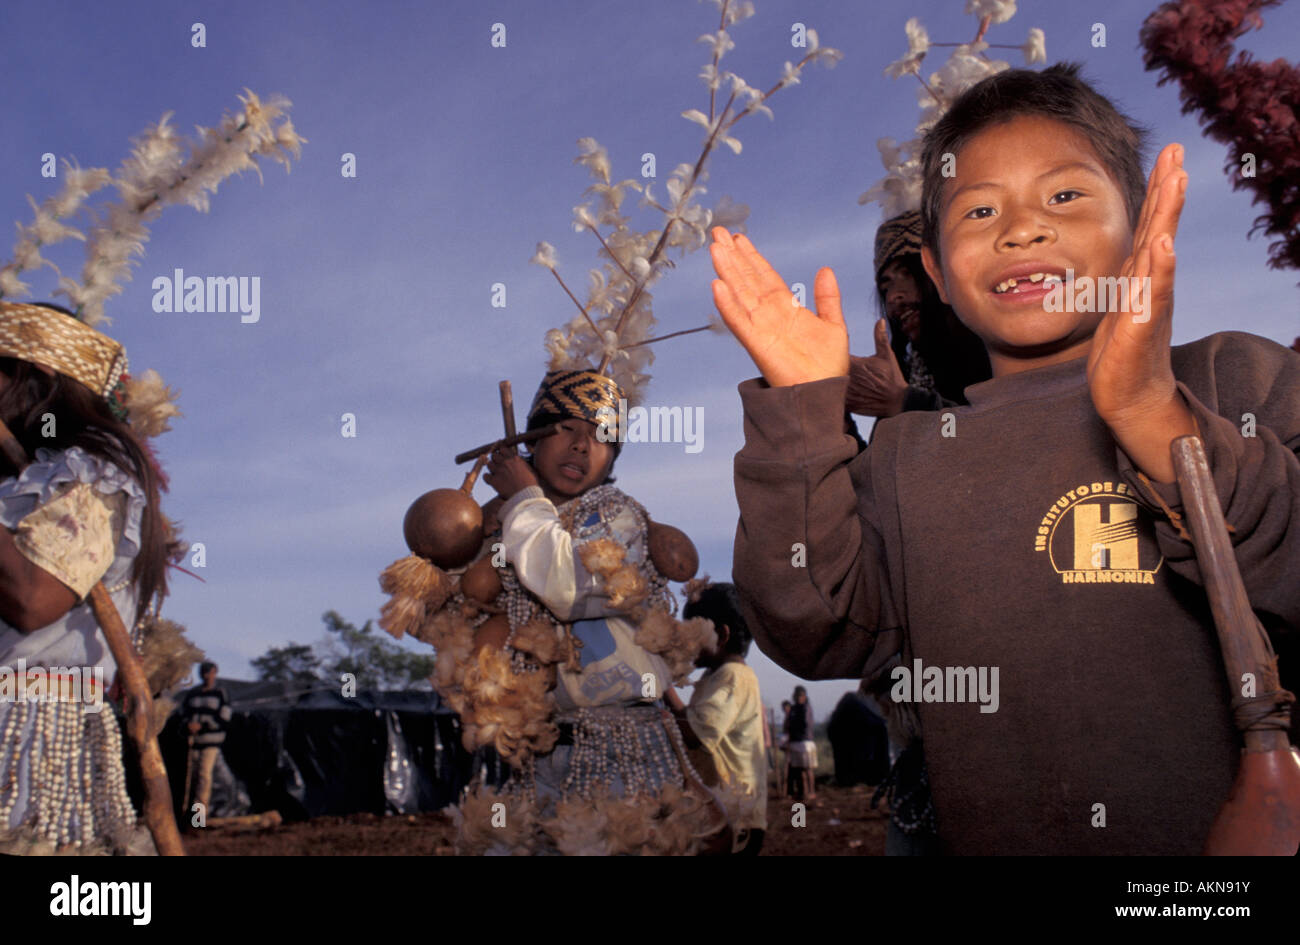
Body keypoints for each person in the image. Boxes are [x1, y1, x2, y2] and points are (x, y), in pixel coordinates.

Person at [709, 63, 1300, 854]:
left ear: (1138, 224)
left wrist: (1153, 415)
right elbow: (817, 627)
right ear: (938, 274)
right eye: (979, 210)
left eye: (1064, 196)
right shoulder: (908, 453)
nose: (1021, 228)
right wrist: (802, 417)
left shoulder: (1236, 378)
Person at [448, 368, 724, 854]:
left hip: (625, 759)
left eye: (601, 438)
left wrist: (524, 499)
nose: (582, 446)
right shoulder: (513, 523)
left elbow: (565, 586)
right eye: (566, 429)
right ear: (530, 440)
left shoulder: (616, 516)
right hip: (543, 756)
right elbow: (465, 610)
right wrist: (467, 536)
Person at [0, 301, 181, 854]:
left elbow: (34, 598)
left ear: (36, 376)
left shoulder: (95, 473)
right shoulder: (21, 480)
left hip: (30, 746)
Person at [847, 210, 991, 418]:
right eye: (886, 286)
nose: (893, 297)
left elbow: (1004, 435)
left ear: (940, 275)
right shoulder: (908, 370)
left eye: (907, 274)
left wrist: (905, 402)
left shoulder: (996, 346)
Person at [664, 581, 768, 855]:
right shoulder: (713, 677)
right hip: (722, 808)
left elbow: (694, 733)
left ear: (721, 635)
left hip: (736, 816)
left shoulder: (734, 677)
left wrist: (663, 685)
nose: (685, 643)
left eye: (692, 634)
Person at [181, 660, 231, 820]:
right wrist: (188, 726)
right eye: (204, 672)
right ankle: (189, 813)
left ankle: (199, 817)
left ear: (215, 673)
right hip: (193, 742)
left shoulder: (220, 694)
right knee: (192, 778)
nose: (207, 676)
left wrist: (202, 726)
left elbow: (224, 718)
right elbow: (183, 714)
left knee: (204, 777)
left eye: (210, 672)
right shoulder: (193, 694)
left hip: (211, 742)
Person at [785, 685, 816, 802]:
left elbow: (805, 724)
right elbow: (789, 724)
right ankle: (804, 792)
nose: (799, 698)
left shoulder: (806, 708)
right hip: (795, 742)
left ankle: (811, 791)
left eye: (801, 696)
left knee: (808, 769)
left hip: (805, 741)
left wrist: (794, 729)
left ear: (804, 696)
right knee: (799, 770)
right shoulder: (793, 709)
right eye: (797, 695)